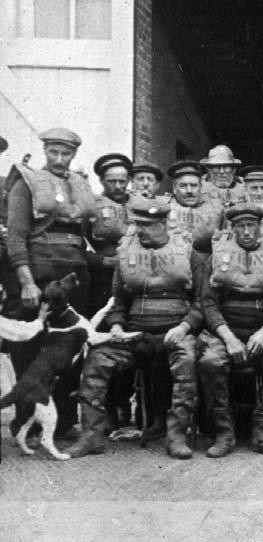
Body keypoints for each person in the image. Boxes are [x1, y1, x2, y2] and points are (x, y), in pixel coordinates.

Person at [65, 199, 205, 459]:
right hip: (135, 334)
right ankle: (91, 436)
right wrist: (117, 324)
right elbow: (118, 300)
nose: (140, 230)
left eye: (148, 225)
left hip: (175, 331)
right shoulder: (126, 252)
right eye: (137, 224)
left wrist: (185, 327)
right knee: (97, 361)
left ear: (163, 224)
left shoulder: (188, 252)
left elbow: (200, 302)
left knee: (186, 362)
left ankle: (176, 435)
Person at [5, 127, 95, 438]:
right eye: (53, 152)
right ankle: (27, 421)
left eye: (66, 153)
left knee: (69, 349)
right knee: (30, 350)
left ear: (74, 154)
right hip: (38, 279)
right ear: (45, 151)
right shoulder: (27, 184)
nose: (59, 158)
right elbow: (16, 238)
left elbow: (85, 235)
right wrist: (26, 282)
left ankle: (66, 421)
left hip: (74, 279)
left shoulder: (81, 186)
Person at [198, 203, 263, 458]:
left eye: (252, 226)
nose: (247, 232)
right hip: (225, 333)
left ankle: (262, 431)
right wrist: (228, 337)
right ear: (232, 229)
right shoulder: (218, 256)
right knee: (210, 361)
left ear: (260, 227)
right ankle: (224, 432)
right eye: (241, 227)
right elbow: (208, 302)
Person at [85, 153, 135, 318]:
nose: (118, 186)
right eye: (112, 181)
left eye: (122, 181)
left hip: (134, 276)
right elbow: (79, 244)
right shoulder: (91, 206)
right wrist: (103, 261)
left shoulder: (139, 204)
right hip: (103, 278)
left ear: (129, 180)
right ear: (101, 180)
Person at [164, 161, 224, 253]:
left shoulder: (217, 210)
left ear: (201, 187)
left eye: (194, 185)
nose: (189, 191)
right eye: (183, 186)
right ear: (174, 188)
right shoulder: (164, 209)